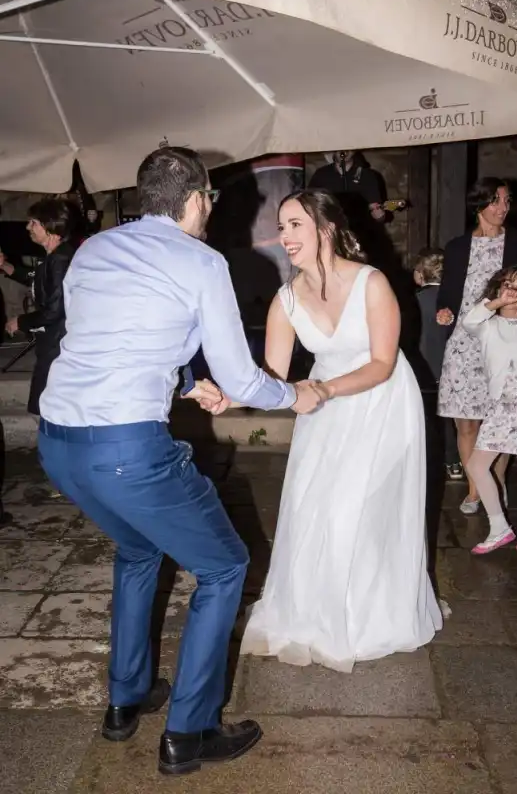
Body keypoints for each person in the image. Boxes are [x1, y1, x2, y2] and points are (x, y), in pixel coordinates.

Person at [36, 146, 321, 776]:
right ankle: (190, 732)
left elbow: (103, 339)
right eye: (209, 199)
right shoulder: (201, 260)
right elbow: (243, 380)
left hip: (57, 443)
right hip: (127, 450)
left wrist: (187, 383)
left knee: (139, 550)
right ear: (196, 199)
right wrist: (296, 396)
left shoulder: (93, 249)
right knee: (225, 567)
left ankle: (126, 698)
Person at [217, 189, 442, 670]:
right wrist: (226, 396)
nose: (285, 235)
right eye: (281, 227)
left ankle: (369, 614)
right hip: (324, 412)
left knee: (365, 508)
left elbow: (382, 363)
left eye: (295, 224)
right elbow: (270, 377)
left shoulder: (371, 283)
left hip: (381, 403)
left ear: (327, 229)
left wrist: (324, 389)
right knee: (315, 506)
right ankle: (318, 612)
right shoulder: (285, 300)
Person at [437, 178, 517, 514]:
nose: (503, 208)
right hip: (464, 342)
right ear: (479, 204)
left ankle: (498, 485)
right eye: (496, 201)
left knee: (499, 422)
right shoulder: (457, 247)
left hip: (503, 341)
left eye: (507, 201)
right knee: (466, 422)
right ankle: (475, 489)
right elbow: (449, 292)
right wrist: (444, 310)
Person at [464, 265, 517, 554]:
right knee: (478, 465)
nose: (513, 291)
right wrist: (495, 303)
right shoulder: (488, 325)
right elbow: (469, 321)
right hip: (500, 407)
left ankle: (499, 528)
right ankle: (499, 528)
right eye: (508, 285)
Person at [0, 198, 78, 417]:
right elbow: (35, 277)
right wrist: (5, 266)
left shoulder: (61, 260)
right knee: (43, 407)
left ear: (50, 227)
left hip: (58, 345)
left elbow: (55, 309)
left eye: (33, 223)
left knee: (42, 408)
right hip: (53, 344)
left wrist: (20, 321)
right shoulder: (55, 257)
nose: (28, 227)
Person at [411, 248, 463, 481]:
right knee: (451, 418)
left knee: (425, 416)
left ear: (420, 274)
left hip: (424, 367)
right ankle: (454, 462)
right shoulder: (458, 300)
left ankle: (425, 462)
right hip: (452, 366)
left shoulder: (415, 300)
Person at [308, 150, 385, 222]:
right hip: (329, 226)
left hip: (358, 227)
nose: (344, 151)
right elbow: (309, 203)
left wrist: (379, 215)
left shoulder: (368, 175)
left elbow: (376, 208)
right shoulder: (321, 174)